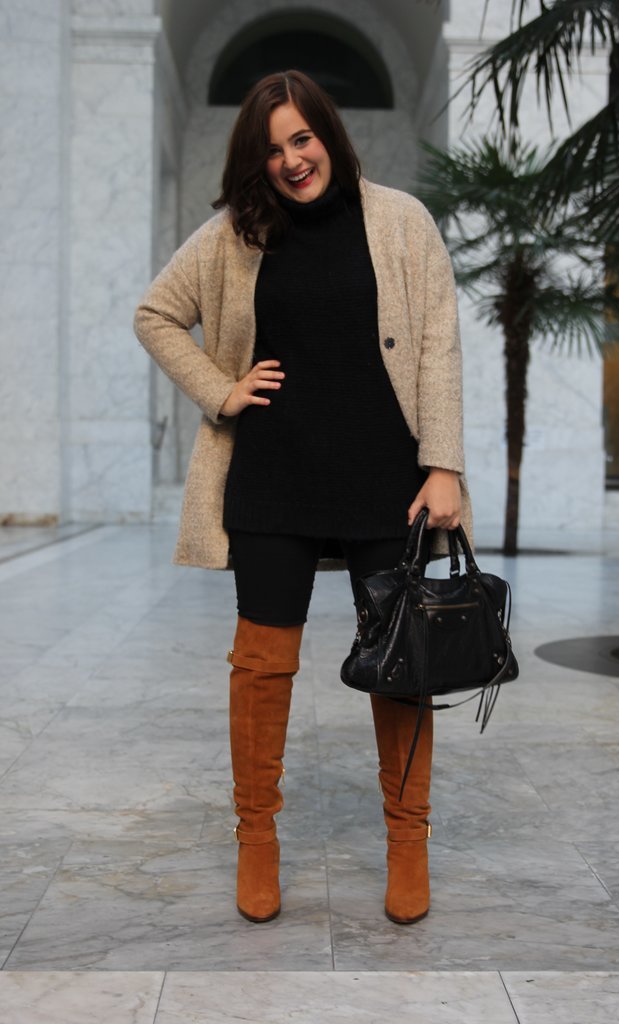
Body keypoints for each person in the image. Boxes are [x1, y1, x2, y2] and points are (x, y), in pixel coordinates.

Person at [134, 69, 472, 926]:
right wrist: (221, 390)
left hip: (386, 481)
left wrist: (442, 464)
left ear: (328, 134)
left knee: (402, 663)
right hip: (273, 476)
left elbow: (437, 346)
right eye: (272, 149)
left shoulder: (400, 220)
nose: (290, 160)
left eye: (302, 138)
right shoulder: (234, 234)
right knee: (261, 666)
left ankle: (407, 840)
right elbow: (156, 314)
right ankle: (256, 838)